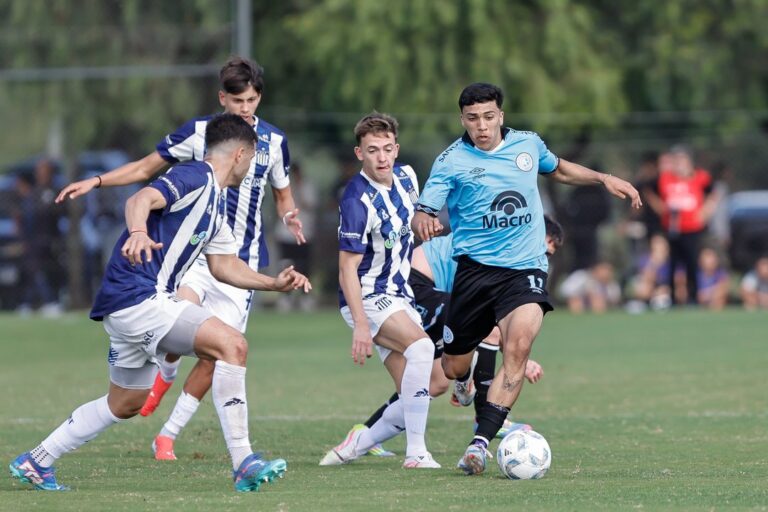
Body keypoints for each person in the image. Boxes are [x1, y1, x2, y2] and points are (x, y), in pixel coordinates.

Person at [10, 114, 311, 492]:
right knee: (232, 344)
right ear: (239, 154)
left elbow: (224, 266)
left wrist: (273, 283)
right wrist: (138, 232)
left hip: (129, 304)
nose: (251, 168)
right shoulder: (195, 176)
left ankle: (37, 459)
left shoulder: (217, 204)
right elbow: (141, 198)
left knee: (125, 403)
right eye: (251, 159)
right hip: (140, 297)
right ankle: (243, 461)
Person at [56, 57, 305, 461]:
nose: (245, 108)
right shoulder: (202, 135)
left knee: (217, 354)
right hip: (194, 257)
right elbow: (145, 170)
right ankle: (170, 376)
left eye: (252, 100)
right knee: (196, 325)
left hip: (237, 258)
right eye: (237, 101)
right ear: (222, 98)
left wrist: (289, 215)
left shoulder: (274, 142)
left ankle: (168, 435)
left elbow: (283, 194)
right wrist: (98, 181)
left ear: (260, 98)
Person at [411, 83, 641, 475]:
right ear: (462, 119)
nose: (482, 126)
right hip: (474, 273)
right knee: (452, 368)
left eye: (488, 116)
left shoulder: (527, 145)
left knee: (517, 348)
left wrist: (603, 178)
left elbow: (559, 169)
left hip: (525, 270)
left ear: (500, 115)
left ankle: (479, 444)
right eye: (472, 118)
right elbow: (423, 212)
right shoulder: (450, 161)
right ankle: (465, 382)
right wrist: (424, 222)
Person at [322, 215, 563, 460]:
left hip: (433, 292)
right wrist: (517, 359)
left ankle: (364, 433)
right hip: (413, 283)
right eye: (542, 249)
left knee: (436, 381)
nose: (542, 257)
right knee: (487, 330)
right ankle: (485, 416)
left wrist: (517, 358)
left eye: (548, 255)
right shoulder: (499, 247)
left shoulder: (516, 257)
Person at [320, 112, 439, 469]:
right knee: (422, 348)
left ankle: (357, 444)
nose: (382, 157)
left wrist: (426, 224)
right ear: (360, 153)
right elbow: (346, 269)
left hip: (401, 295)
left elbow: (412, 220)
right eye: (373, 150)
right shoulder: (356, 201)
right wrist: (360, 324)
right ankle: (416, 454)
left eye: (387, 149)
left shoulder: (407, 177)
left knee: (430, 386)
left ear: (396, 149)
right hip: (368, 296)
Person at [643, 145, 719, 305]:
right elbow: (648, 191)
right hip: (673, 228)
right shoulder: (665, 178)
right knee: (672, 263)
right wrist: (660, 208)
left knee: (692, 261)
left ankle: (693, 297)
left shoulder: (701, 177)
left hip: (693, 228)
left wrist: (706, 211)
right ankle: (672, 298)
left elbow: (713, 193)